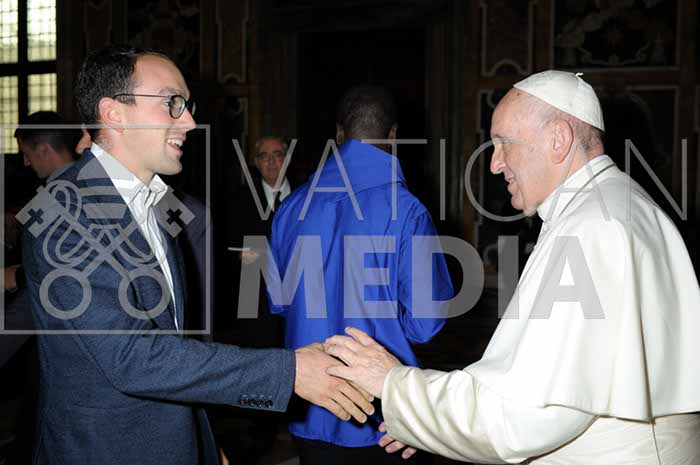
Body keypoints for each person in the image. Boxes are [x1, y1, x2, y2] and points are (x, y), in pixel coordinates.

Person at [18, 45, 373, 465]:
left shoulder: (156, 202)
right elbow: (134, 359)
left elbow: (175, 349)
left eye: (187, 106)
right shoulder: (63, 210)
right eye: (172, 103)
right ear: (114, 113)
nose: (188, 121)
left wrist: (203, 440)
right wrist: (290, 372)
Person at [324, 71, 700, 464]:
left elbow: (520, 416)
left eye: (504, 143)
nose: (494, 164)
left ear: (559, 139)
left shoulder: (591, 227)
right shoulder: (614, 203)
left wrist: (392, 384)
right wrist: (424, 423)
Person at [268, 85, 453, 465]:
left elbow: (280, 303)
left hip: (310, 405)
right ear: (393, 136)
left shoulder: (290, 208)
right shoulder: (407, 211)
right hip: (384, 416)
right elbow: (425, 323)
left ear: (338, 135)